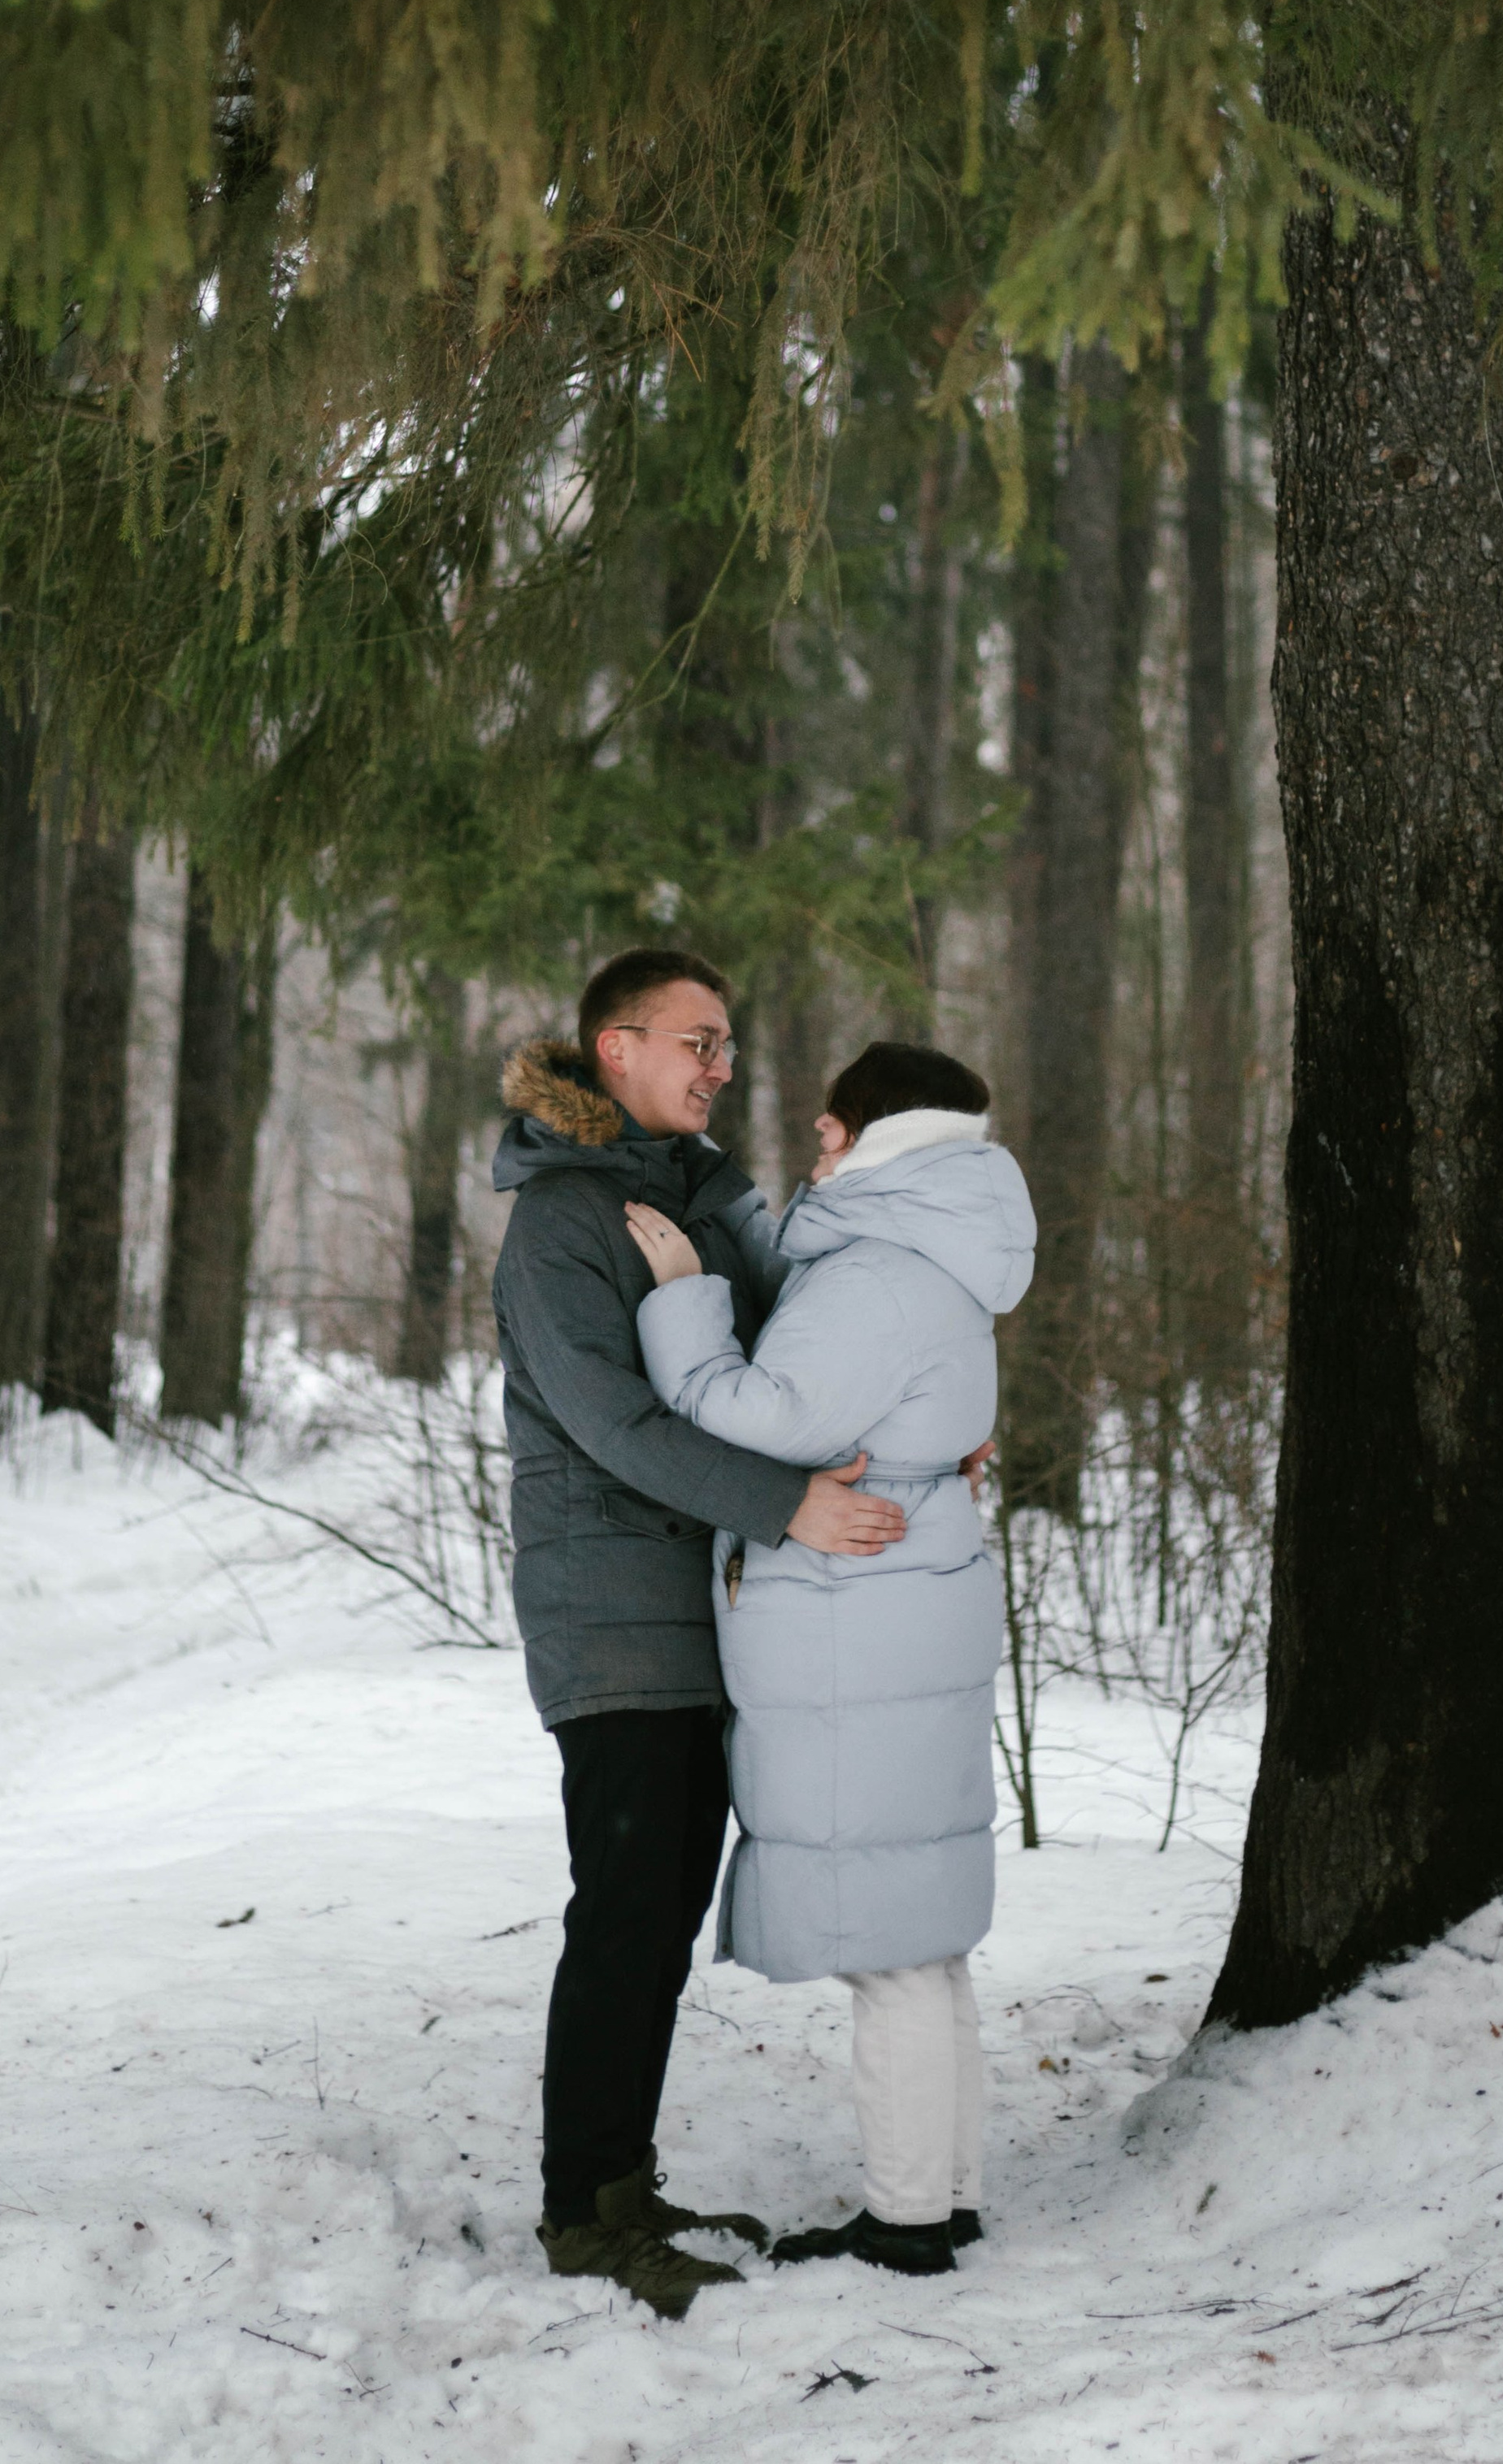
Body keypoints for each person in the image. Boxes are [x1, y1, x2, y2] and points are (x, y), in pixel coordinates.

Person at [489, 948, 913, 2321]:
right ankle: (578, 2211)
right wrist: (785, 1507)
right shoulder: (560, 1227)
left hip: (711, 1613)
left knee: (662, 1909)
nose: (720, 1066)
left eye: (728, 1044)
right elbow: (616, 1426)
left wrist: (911, 1438)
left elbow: (787, 1368)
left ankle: (623, 2187)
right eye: (697, 1041)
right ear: (615, 1048)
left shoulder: (705, 1200)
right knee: (622, 1911)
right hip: (612, 1616)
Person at [624, 1039, 1034, 2280]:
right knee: (924, 1932)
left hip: (868, 1615)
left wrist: (685, 1296)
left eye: (826, 1128)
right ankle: (945, 2195)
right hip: (912, 1597)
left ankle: (907, 2220)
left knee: (894, 1947)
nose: (809, 1142)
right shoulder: (947, 1255)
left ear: (861, 1135)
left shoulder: (876, 1271)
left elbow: (760, 1414)